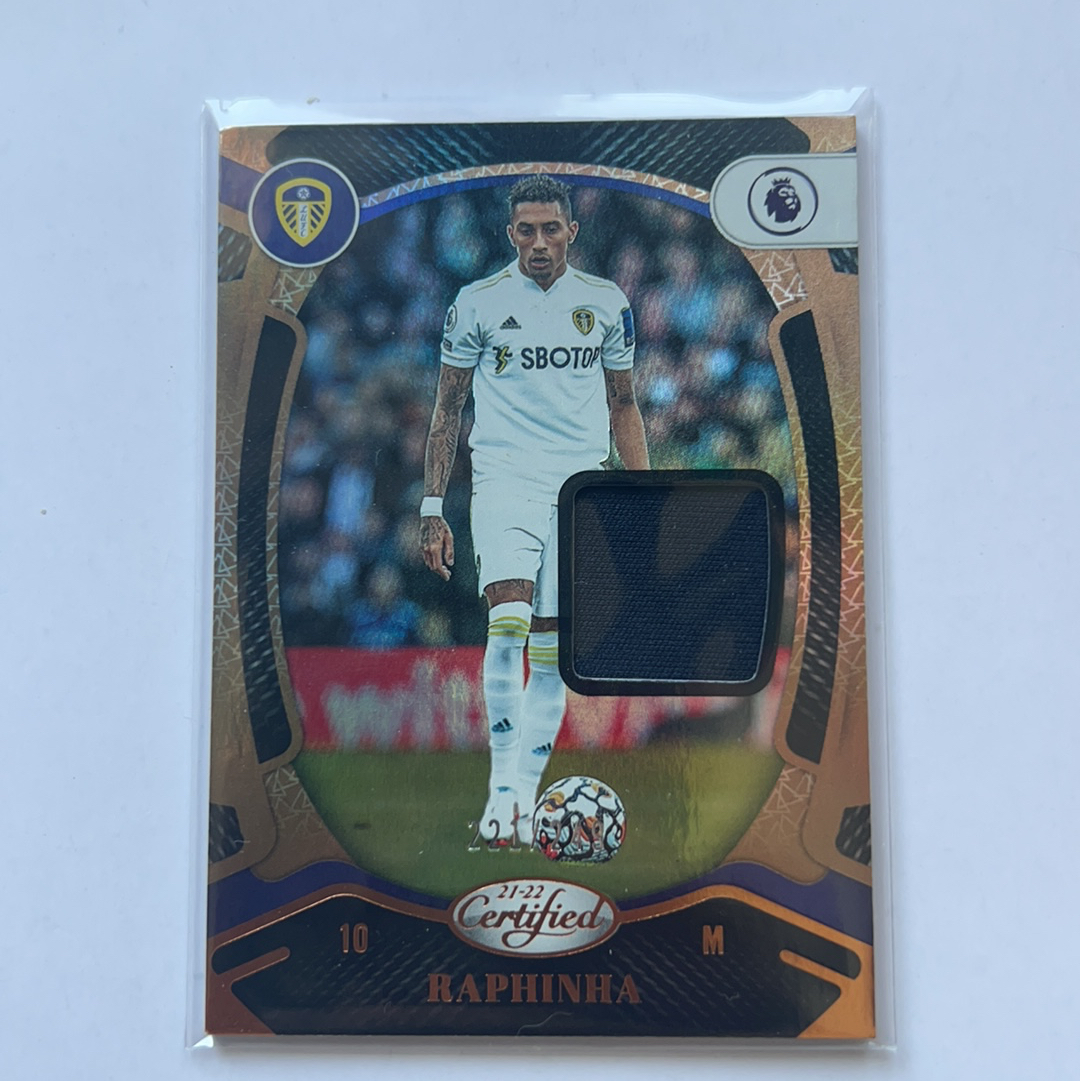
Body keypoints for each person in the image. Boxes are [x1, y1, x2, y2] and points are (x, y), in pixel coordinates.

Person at [420, 176, 650, 845]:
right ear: (510, 234)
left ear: (572, 231)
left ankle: (524, 797)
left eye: (552, 229)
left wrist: (646, 497)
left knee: (549, 653)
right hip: (505, 479)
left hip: (581, 486)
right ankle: (501, 794)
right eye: (527, 230)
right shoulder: (477, 302)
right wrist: (432, 506)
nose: (540, 242)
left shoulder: (605, 303)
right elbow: (447, 409)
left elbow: (624, 404)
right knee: (508, 629)